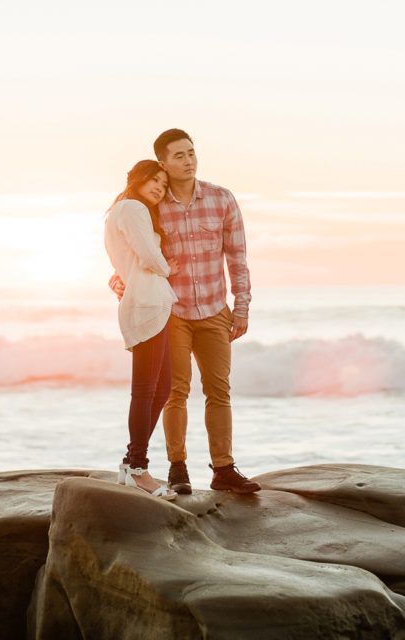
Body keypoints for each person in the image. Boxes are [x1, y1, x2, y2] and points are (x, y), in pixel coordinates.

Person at [111, 129, 260, 495]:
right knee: (175, 391)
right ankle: (178, 469)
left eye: (191, 153)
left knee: (219, 390)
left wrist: (241, 307)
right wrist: (120, 285)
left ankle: (224, 468)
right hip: (171, 312)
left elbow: (237, 258)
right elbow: (133, 254)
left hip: (213, 308)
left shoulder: (221, 199)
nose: (188, 160)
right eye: (179, 156)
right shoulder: (151, 205)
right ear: (162, 163)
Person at [104, 159, 179, 500]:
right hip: (147, 305)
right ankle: (138, 469)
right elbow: (148, 255)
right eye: (155, 180)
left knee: (161, 387)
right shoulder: (132, 207)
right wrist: (167, 267)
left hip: (149, 304)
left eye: (164, 185)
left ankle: (129, 463)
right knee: (146, 390)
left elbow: (126, 261)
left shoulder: (122, 211)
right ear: (137, 179)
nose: (160, 188)